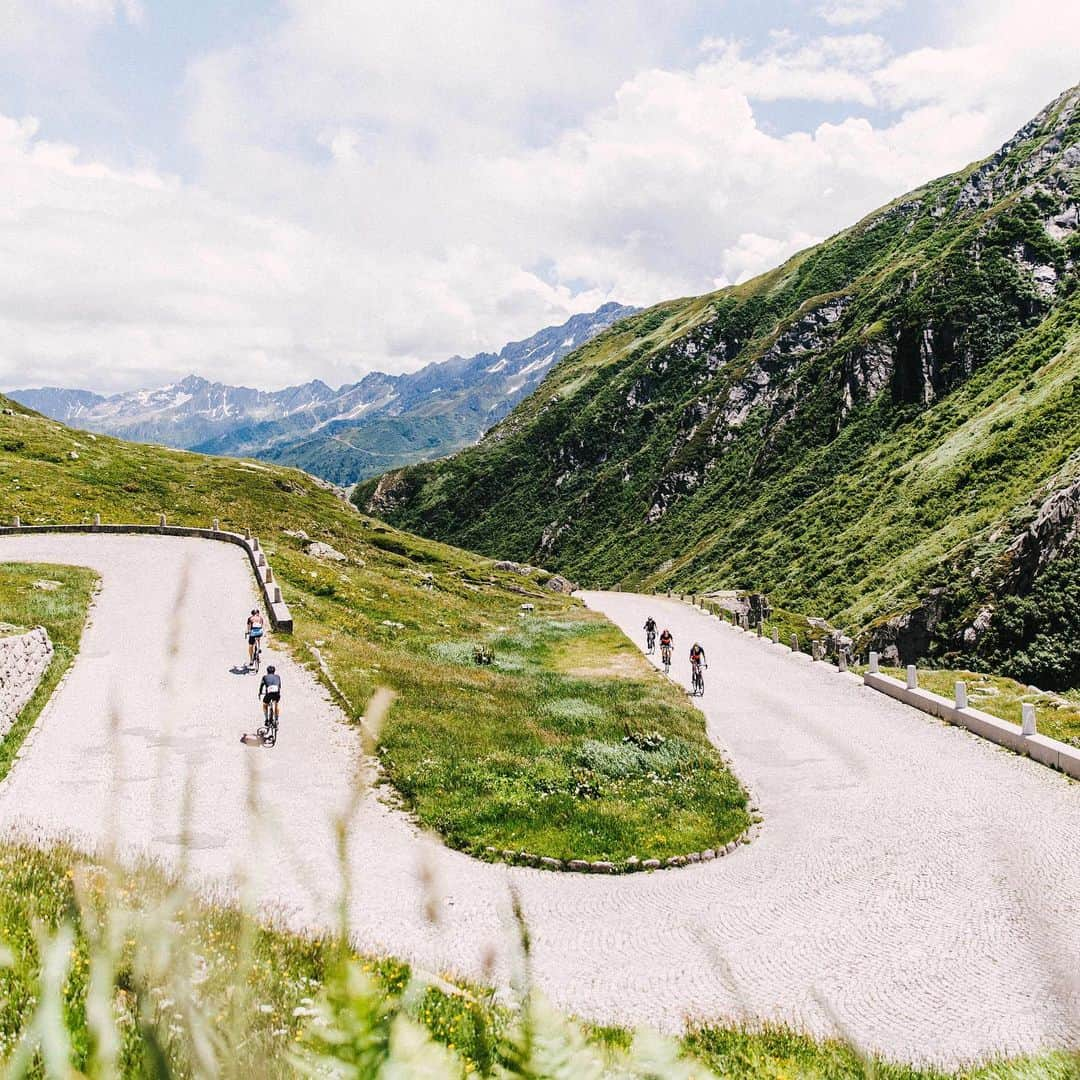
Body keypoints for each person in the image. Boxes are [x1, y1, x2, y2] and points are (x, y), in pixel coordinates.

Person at [258, 664, 281, 733]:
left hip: (269, 693)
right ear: (274, 671)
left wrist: (260, 693)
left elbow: (261, 686)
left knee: (265, 704)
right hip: (276, 692)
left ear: (267, 671)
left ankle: (267, 719)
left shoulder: (264, 677)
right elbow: (279, 686)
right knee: (276, 704)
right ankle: (276, 719)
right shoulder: (278, 676)